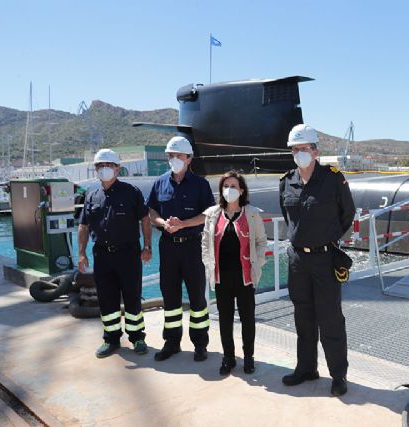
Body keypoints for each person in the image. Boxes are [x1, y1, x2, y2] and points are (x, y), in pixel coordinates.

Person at [278, 124, 356, 397]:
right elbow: (289, 217)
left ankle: (338, 375)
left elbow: (348, 213)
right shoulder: (286, 181)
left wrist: (327, 237)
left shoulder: (333, 178)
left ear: (316, 151)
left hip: (324, 258)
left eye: (304, 148)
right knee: (303, 317)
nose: (300, 153)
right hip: (297, 259)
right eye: (295, 149)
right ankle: (306, 368)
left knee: (331, 318)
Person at [78, 149, 152, 358]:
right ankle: (111, 339)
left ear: (118, 168)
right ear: (96, 170)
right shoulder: (92, 195)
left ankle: (137, 337)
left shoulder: (131, 192)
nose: (104, 170)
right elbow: (83, 225)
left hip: (128, 254)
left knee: (132, 297)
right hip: (102, 255)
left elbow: (145, 219)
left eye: (109, 166)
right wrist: (82, 253)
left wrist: (147, 246)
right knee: (107, 299)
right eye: (100, 166)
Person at [147, 136, 215, 362]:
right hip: (168, 248)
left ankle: (200, 344)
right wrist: (163, 224)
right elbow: (152, 212)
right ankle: (172, 342)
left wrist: (184, 224)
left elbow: (208, 214)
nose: (174, 159)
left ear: (189, 158)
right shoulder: (159, 183)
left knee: (197, 299)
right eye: (171, 155)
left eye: (178, 155)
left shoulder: (200, 185)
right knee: (170, 297)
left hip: (192, 247)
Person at [201, 171, 267, 376]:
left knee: (248, 318)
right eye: (226, 185)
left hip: (245, 276)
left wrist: (258, 264)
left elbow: (261, 242)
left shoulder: (252, 213)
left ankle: (249, 358)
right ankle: (228, 357)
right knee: (225, 319)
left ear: (242, 190)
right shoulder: (212, 214)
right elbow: (205, 242)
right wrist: (208, 264)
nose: (229, 189)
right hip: (222, 277)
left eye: (234, 186)